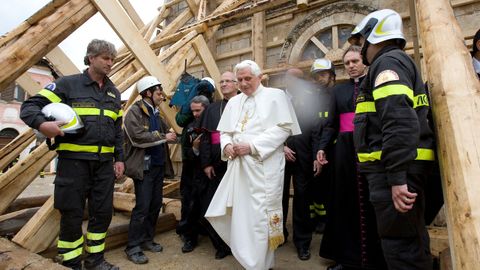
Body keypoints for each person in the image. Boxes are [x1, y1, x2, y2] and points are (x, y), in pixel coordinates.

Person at [20, 39, 123, 270]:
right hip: (73, 165)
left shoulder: (113, 93)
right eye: (106, 58)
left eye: (112, 59)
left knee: (103, 213)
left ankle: (95, 261)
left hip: (104, 167)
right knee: (72, 214)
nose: (110, 63)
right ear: (91, 58)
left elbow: (117, 130)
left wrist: (120, 159)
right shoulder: (67, 85)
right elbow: (29, 107)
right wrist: (42, 125)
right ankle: (71, 263)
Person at [349, 9, 436, 269]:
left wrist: (397, 178)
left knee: (401, 250)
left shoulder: (386, 65)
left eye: (363, 41)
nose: (362, 48)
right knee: (410, 242)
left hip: (395, 174)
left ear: (374, 36)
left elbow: (398, 121)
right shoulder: (395, 62)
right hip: (400, 170)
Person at [205, 60, 301, 270]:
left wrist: (253, 146)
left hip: (264, 168)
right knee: (241, 215)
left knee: (260, 217)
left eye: (247, 78)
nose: (243, 83)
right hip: (238, 169)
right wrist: (228, 145)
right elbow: (225, 132)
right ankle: (249, 261)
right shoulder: (233, 102)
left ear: (259, 77)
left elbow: (283, 128)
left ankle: (261, 264)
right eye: (240, 80)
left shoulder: (276, 96)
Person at [316, 46, 386, 270]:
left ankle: (376, 257)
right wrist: (322, 148)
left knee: (371, 201)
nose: (351, 66)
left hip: (371, 146)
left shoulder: (377, 82)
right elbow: (331, 124)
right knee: (343, 202)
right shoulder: (337, 91)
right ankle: (346, 258)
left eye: (355, 61)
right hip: (344, 152)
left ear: (364, 61)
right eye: (347, 63)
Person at [123, 76, 177, 264]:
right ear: (147, 92)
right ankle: (133, 246)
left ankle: (147, 239)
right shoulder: (135, 112)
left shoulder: (156, 114)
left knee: (155, 205)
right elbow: (137, 137)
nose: (162, 95)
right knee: (142, 207)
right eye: (158, 92)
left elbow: (170, 135)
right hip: (144, 169)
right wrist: (164, 136)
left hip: (157, 167)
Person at [281, 66, 324, 261]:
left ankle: (302, 243)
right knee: (277, 197)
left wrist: (316, 155)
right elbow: (265, 126)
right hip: (278, 156)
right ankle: (278, 234)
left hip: (304, 158)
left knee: (302, 199)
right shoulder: (276, 99)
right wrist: (281, 146)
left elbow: (316, 130)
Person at [198, 72, 239, 259]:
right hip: (217, 165)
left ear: (236, 84)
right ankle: (222, 245)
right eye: (221, 82)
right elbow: (206, 138)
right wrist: (206, 163)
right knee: (215, 205)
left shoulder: (246, 104)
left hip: (241, 164)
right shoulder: (213, 109)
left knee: (239, 207)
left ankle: (240, 244)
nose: (223, 84)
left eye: (227, 81)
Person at [177, 95, 210, 253]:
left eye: (198, 110)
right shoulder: (189, 128)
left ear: (206, 108)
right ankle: (189, 237)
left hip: (209, 173)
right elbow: (186, 153)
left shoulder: (214, 126)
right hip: (191, 172)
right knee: (189, 204)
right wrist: (195, 148)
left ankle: (207, 231)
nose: (195, 114)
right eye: (193, 111)